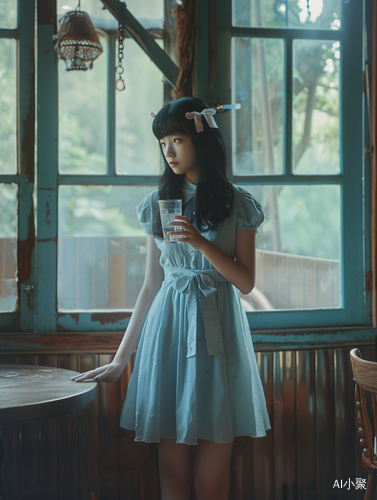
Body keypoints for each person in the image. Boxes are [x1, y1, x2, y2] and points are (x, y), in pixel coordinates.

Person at [72, 96, 271, 500]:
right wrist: (120, 359)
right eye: (163, 142)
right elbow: (149, 287)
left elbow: (246, 281)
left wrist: (200, 242)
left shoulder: (238, 203)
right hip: (170, 333)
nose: (169, 151)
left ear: (203, 140)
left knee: (212, 485)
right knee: (173, 479)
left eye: (177, 139)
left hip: (219, 333)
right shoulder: (158, 202)